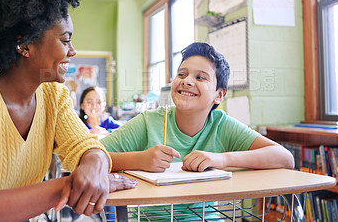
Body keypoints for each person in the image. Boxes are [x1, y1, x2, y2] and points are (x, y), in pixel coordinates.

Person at [0, 0, 136, 221]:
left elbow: (83, 146)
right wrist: (64, 186)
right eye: (65, 40)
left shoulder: (54, 97)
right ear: (25, 44)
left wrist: (94, 162)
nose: (72, 51)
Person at [100, 42, 294, 221]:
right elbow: (89, 156)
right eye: (181, 74)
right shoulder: (148, 122)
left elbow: (285, 158)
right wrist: (139, 160)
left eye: (200, 77)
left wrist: (222, 159)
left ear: (219, 95)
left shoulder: (221, 125)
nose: (187, 81)